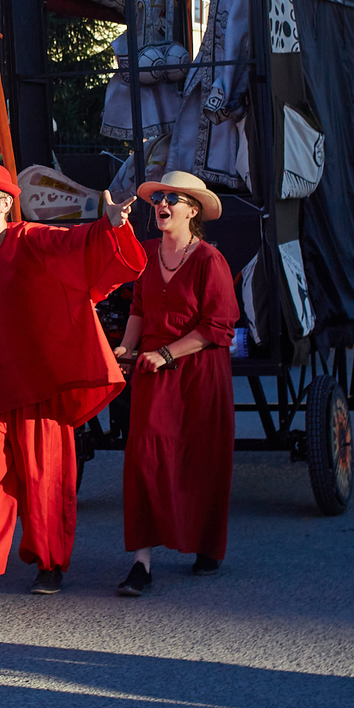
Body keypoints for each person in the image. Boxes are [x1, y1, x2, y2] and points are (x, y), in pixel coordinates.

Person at [0, 162, 145, 612]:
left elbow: (77, 245)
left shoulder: (29, 238)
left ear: (7, 205)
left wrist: (107, 225)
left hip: (35, 382)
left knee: (44, 477)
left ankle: (50, 562)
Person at [115, 171, 239, 595]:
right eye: (158, 198)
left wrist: (167, 353)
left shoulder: (209, 261)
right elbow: (138, 307)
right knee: (144, 459)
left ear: (193, 209)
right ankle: (142, 564)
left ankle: (206, 545)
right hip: (153, 372)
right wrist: (126, 350)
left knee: (200, 458)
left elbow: (218, 327)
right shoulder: (146, 253)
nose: (162, 203)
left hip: (198, 373)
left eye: (172, 198)